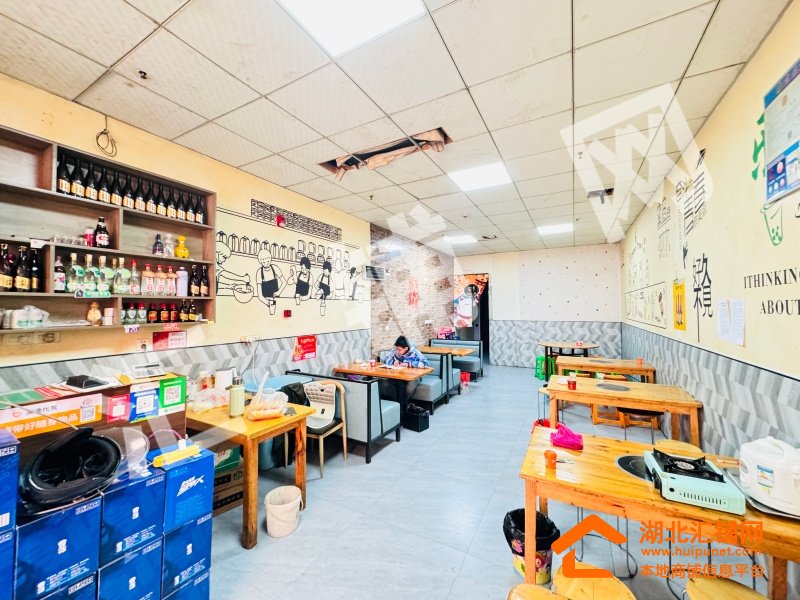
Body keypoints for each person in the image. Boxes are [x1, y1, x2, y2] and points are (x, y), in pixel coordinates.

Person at [379, 335, 430, 413]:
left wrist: (409, 364)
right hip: (398, 375)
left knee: (408, 388)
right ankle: (398, 406)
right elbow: (384, 358)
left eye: (399, 350)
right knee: (386, 384)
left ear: (406, 348)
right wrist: (393, 362)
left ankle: (402, 407)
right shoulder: (395, 351)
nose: (397, 352)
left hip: (413, 376)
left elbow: (426, 363)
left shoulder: (415, 352)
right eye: (396, 349)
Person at [255, 249, 285, 315]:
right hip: (264, 302)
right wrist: (268, 303)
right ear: (260, 262)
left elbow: (284, 282)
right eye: (264, 262)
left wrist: (278, 292)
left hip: (277, 300)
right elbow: (260, 296)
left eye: (268, 261)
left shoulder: (275, 268)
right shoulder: (259, 272)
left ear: (271, 259)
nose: (266, 264)